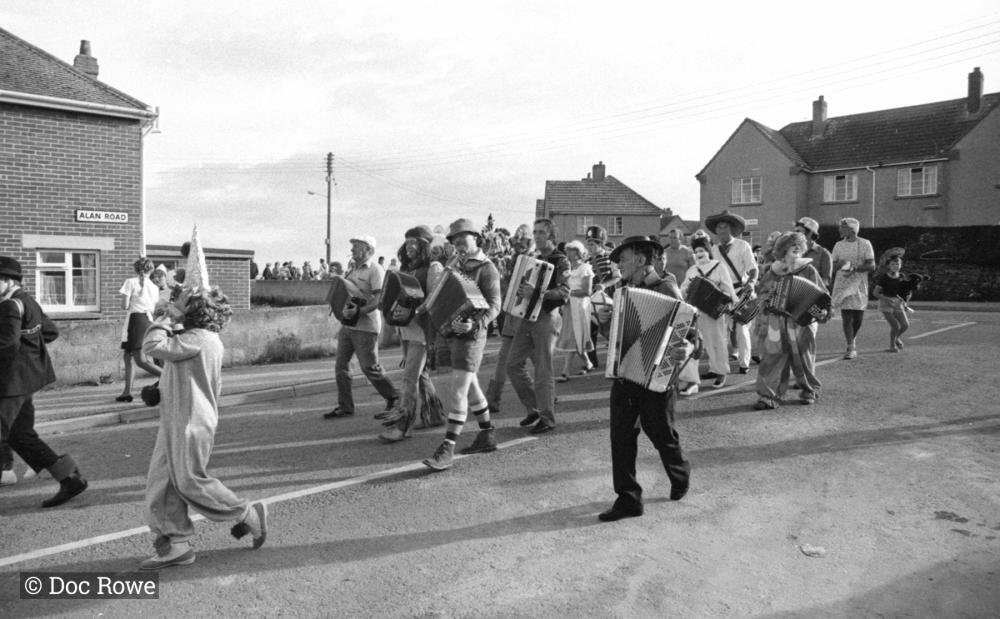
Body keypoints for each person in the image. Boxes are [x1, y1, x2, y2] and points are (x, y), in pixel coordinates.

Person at [140, 286, 267, 570]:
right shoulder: (195, 339)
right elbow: (185, 372)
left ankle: (245, 511)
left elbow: (152, 346)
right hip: (178, 417)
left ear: (192, 312)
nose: (173, 305)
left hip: (190, 421)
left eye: (180, 304)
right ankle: (177, 544)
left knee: (189, 480)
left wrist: (168, 316)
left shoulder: (198, 338)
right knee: (162, 481)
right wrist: (159, 388)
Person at [598, 236, 693, 522]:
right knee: (621, 437)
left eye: (623, 259)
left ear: (641, 260)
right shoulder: (621, 291)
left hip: (657, 376)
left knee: (660, 432)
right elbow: (614, 338)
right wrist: (604, 321)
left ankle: (680, 473)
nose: (618, 265)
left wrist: (685, 348)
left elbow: (690, 334)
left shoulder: (667, 288)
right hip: (626, 373)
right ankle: (628, 499)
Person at [0, 256, 88, 507]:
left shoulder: (9, 306)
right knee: (19, 435)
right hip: (25, 380)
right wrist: (29, 347)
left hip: (11, 382)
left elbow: (7, 345)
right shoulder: (27, 301)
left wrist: (21, 348)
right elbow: (50, 332)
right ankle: (69, 478)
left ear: (8, 281)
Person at [423, 219, 502, 470]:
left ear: (475, 238)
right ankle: (487, 434)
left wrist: (475, 325)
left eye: (462, 238)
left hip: (471, 336)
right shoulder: (453, 263)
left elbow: (495, 305)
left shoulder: (487, 268)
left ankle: (447, 448)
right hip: (450, 334)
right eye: (454, 240)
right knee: (470, 387)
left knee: (458, 389)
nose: (458, 243)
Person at [378, 225, 445, 442]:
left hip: (422, 332)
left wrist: (416, 308)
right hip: (406, 330)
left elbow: (435, 300)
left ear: (424, 245)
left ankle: (403, 426)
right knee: (420, 375)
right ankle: (434, 414)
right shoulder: (406, 269)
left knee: (409, 378)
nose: (409, 247)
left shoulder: (433, 267)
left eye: (414, 242)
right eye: (407, 242)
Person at [506, 219, 570, 435]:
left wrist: (537, 293)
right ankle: (535, 407)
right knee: (512, 364)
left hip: (546, 317)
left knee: (543, 370)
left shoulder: (561, 261)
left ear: (551, 235)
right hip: (526, 317)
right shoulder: (533, 259)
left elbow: (564, 293)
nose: (537, 236)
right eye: (535, 232)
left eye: (541, 232)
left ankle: (547, 418)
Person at [324, 236, 399, 419]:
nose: (352, 250)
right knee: (341, 367)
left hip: (366, 327)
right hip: (349, 325)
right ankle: (345, 407)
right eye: (353, 247)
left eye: (356, 247)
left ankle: (394, 398)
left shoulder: (376, 270)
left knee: (369, 367)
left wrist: (359, 312)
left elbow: (378, 299)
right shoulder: (352, 268)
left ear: (368, 250)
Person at [753, 232, 829, 409]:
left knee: (804, 357)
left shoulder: (809, 269)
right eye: (791, 244)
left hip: (803, 321)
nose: (796, 247)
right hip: (777, 320)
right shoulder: (773, 271)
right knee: (773, 356)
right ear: (782, 249)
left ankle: (809, 390)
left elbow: (822, 295)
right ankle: (768, 396)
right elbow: (761, 293)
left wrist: (822, 311)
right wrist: (768, 298)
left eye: (798, 244)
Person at [485, 224, 533, 414]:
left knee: (532, 358)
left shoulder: (531, 260)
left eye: (523, 241)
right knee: (506, 357)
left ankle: (544, 397)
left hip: (524, 316)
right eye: (518, 241)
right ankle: (493, 398)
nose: (519, 244)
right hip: (515, 314)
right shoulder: (511, 260)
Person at [680, 235, 736, 392]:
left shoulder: (719, 267)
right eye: (696, 251)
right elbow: (683, 289)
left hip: (714, 312)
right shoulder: (692, 270)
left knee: (717, 342)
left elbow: (728, 288)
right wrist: (687, 289)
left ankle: (721, 372)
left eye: (702, 250)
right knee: (696, 344)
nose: (699, 254)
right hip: (697, 313)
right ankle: (695, 378)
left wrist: (730, 303)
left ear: (708, 251)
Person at [706, 210, 758, 375]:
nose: (722, 230)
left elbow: (753, 269)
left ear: (732, 229)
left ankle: (744, 363)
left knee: (741, 328)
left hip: (741, 290)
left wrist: (751, 283)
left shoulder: (743, 246)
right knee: (718, 331)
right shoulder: (713, 250)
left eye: (725, 227)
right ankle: (716, 368)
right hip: (721, 293)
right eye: (719, 227)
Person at [117, 257, 163, 402]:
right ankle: (126, 393)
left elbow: (124, 306)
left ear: (136, 269)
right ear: (151, 270)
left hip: (136, 320)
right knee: (128, 356)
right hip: (147, 320)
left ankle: (167, 376)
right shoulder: (154, 287)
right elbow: (152, 308)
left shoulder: (130, 282)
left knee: (140, 360)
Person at [830, 217, 876, 360]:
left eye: (842, 227)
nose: (839, 229)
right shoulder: (838, 245)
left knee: (858, 317)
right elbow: (832, 266)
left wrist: (855, 267)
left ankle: (852, 338)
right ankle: (850, 346)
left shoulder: (865, 243)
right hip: (842, 283)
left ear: (851, 229)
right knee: (847, 315)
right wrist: (840, 264)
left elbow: (871, 265)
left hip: (859, 283)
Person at [556, 240, 594, 381]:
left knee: (573, 336)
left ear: (578, 253)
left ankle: (565, 372)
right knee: (574, 337)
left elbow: (587, 291)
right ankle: (588, 363)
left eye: (570, 250)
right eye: (567, 250)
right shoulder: (568, 270)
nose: (567, 253)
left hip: (580, 307)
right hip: (568, 307)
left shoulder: (585, 268)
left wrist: (569, 293)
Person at [585, 225, 620, 370]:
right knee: (590, 331)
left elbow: (617, 277)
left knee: (611, 332)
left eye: (592, 244)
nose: (589, 247)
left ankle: (615, 361)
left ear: (600, 243)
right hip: (592, 300)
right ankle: (592, 362)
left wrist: (604, 285)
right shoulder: (586, 260)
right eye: (588, 244)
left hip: (609, 298)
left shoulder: (611, 257)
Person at [873, 248, 912, 353]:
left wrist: (905, 301)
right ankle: (892, 345)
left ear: (901, 265)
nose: (895, 266)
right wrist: (886, 299)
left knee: (905, 325)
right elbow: (875, 293)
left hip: (898, 303)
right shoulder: (884, 278)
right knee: (895, 326)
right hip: (886, 303)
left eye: (897, 264)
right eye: (893, 264)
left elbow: (905, 292)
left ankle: (896, 338)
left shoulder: (902, 276)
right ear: (889, 266)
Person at [795, 217, 833, 288]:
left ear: (810, 233)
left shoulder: (824, 254)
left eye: (798, 232)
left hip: (812, 293)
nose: (795, 234)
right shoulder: (792, 251)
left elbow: (826, 280)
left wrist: (813, 288)